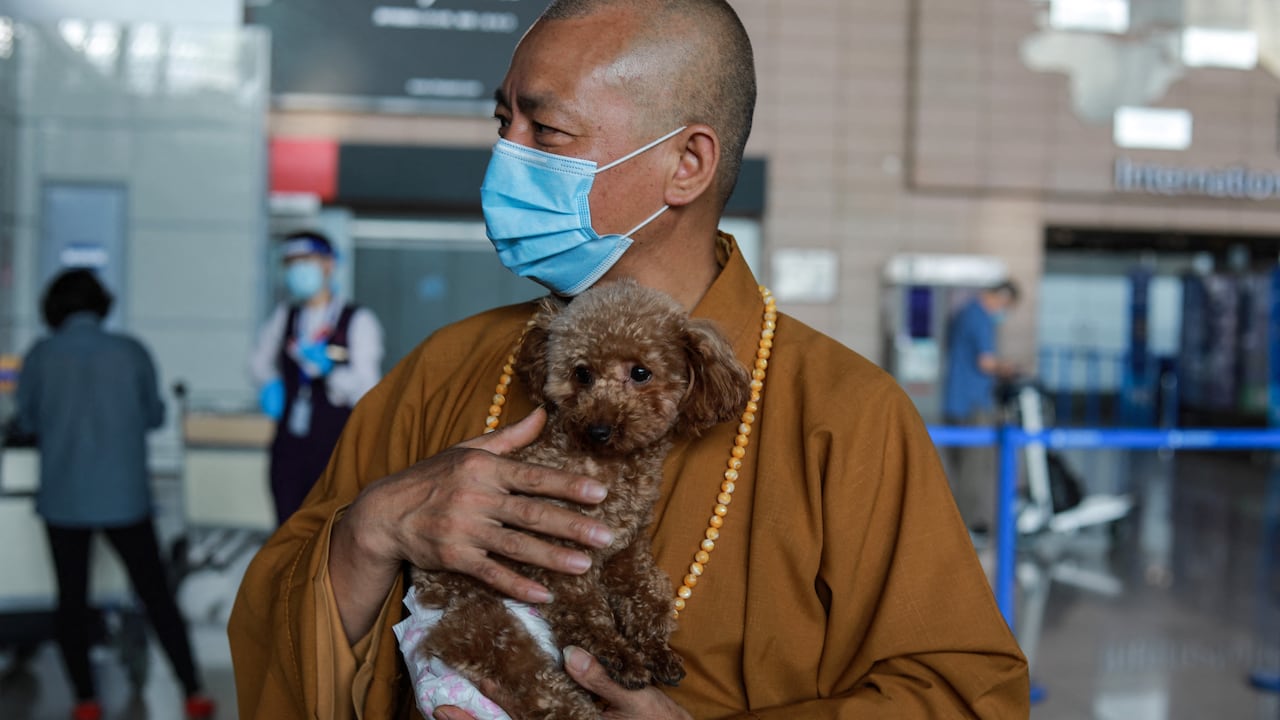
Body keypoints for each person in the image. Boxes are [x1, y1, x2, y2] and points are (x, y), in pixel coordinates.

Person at [229, 1, 1030, 718]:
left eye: (545, 131)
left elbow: (965, 694)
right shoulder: (447, 368)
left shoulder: (841, 412)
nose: (506, 156)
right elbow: (273, 621)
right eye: (501, 123)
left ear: (686, 164)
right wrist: (372, 532)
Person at [14, 269, 214, 720]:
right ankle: (193, 691)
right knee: (155, 593)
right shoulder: (131, 351)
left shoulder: (42, 356)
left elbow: (25, 421)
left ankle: (86, 701)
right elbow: (154, 416)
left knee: (72, 598)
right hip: (125, 498)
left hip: (64, 499)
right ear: (101, 304)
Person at [249, 230, 385, 525]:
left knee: (329, 530)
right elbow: (258, 361)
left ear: (328, 264)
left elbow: (368, 389)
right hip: (290, 444)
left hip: (335, 447)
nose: (297, 270)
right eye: (291, 263)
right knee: (287, 525)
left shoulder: (357, 320)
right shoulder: (286, 316)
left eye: (305, 261)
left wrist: (331, 373)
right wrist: (271, 384)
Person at [942, 280, 1021, 533]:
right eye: (1005, 305)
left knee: (961, 465)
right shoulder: (980, 318)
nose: (1003, 312)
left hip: (957, 400)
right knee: (973, 468)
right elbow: (985, 362)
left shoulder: (965, 313)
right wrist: (1006, 368)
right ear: (1000, 297)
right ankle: (966, 528)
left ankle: (959, 522)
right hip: (973, 404)